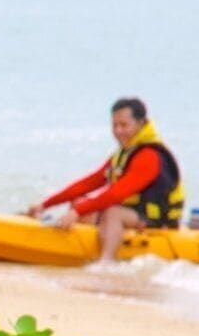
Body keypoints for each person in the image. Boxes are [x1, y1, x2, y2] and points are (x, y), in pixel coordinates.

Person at [35, 97, 186, 264]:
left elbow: (115, 194)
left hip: (158, 222)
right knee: (79, 202)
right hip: (133, 213)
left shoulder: (149, 157)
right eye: (114, 125)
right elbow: (91, 182)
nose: (118, 131)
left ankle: (105, 264)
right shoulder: (125, 153)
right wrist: (45, 204)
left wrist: (76, 213)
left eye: (124, 125)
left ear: (141, 123)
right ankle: (78, 249)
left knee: (112, 212)